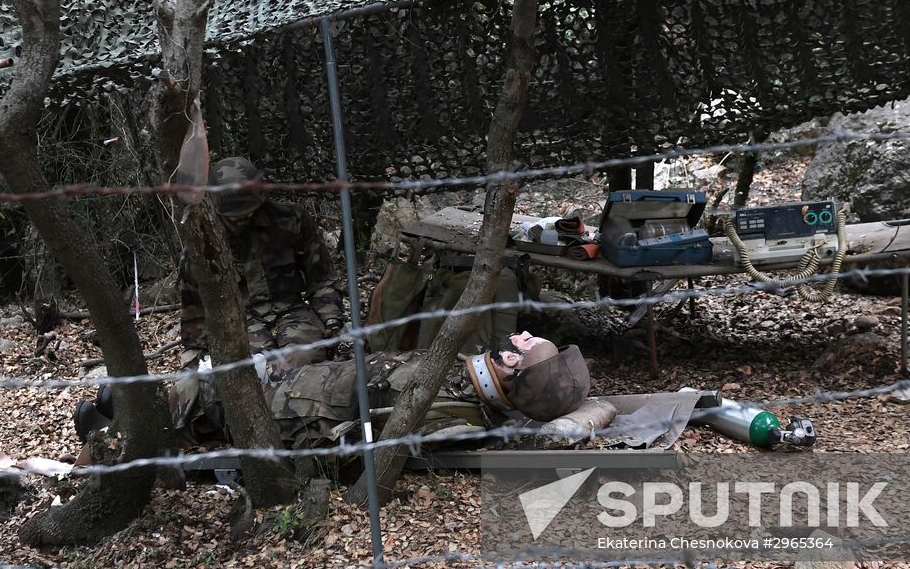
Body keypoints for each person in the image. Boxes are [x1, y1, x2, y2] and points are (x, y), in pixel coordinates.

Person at [156, 330, 591, 450]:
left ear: (513, 368)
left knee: (167, 402)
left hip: (278, 409)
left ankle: (103, 448)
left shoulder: (453, 414)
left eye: (526, 345)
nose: (522, 335)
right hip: (288, 386)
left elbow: (361, 433)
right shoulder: (463, 385)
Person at [173, 157, 344, 422]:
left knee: (302, 360)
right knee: (257, 372)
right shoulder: (202, 247)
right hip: (240, 323)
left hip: (292, 312)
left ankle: (307, 423)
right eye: (234, 216)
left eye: (248, 212)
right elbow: (194, 308)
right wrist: (193, 359)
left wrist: (332, 318)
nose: (243, 220)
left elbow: (321, 278)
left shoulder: (290, 220)